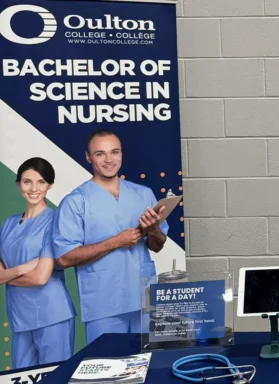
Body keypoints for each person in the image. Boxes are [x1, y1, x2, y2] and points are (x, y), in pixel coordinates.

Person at [51, 129, 169, 344]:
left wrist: (153, 230)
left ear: (121, 154)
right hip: (103, 304)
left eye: (114, 152)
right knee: (107, 367)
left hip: (144, 298)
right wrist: (115, 242)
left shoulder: (143, 194)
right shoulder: (76, 201)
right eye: (100, 154)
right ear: (88, 157)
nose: (109, 160)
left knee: (150, 364)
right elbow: (64, 258)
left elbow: (158, 245)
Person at [0, 157, 76, 369]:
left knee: (53, 377)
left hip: (52, 315)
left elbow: (41, 277)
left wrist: (9, 276)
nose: (34, 188)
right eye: (27, 182)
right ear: (18, 184)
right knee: (21, 377)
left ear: (49, 185)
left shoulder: (54, 221)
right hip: (19, 317)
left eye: (41, 182)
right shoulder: (7, 224)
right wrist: (24, 268)